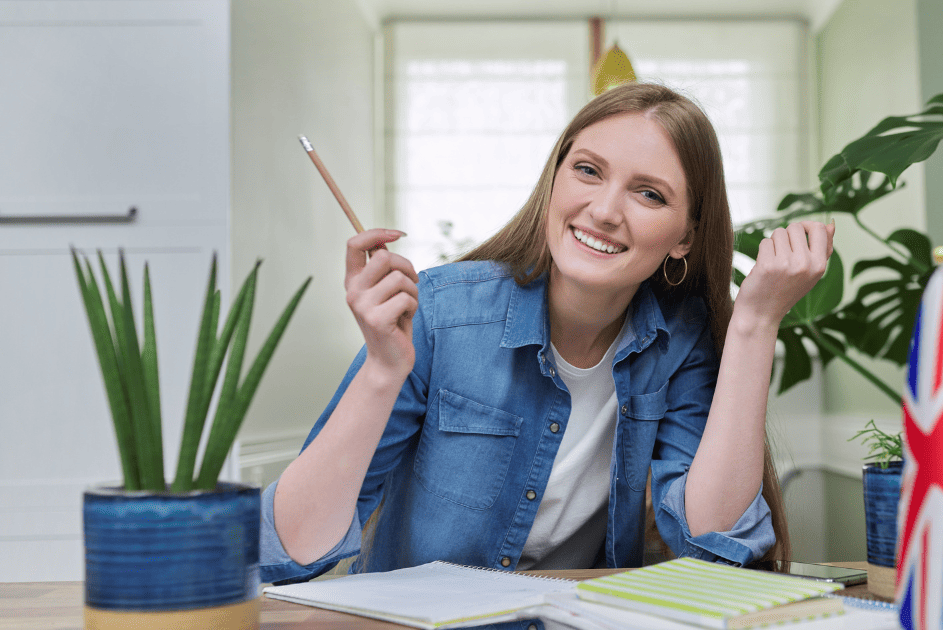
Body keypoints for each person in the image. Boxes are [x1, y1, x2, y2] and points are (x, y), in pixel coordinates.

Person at [260, 83, 834, 585]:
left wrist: (755, 323)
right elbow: (289, 551)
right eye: (588, 170)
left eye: (649, 194)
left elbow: (712, 544)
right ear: (554, 179)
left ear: (685, 237)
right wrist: (383, 370)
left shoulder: (680, 343)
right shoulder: (441, 312)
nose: (604, 210)